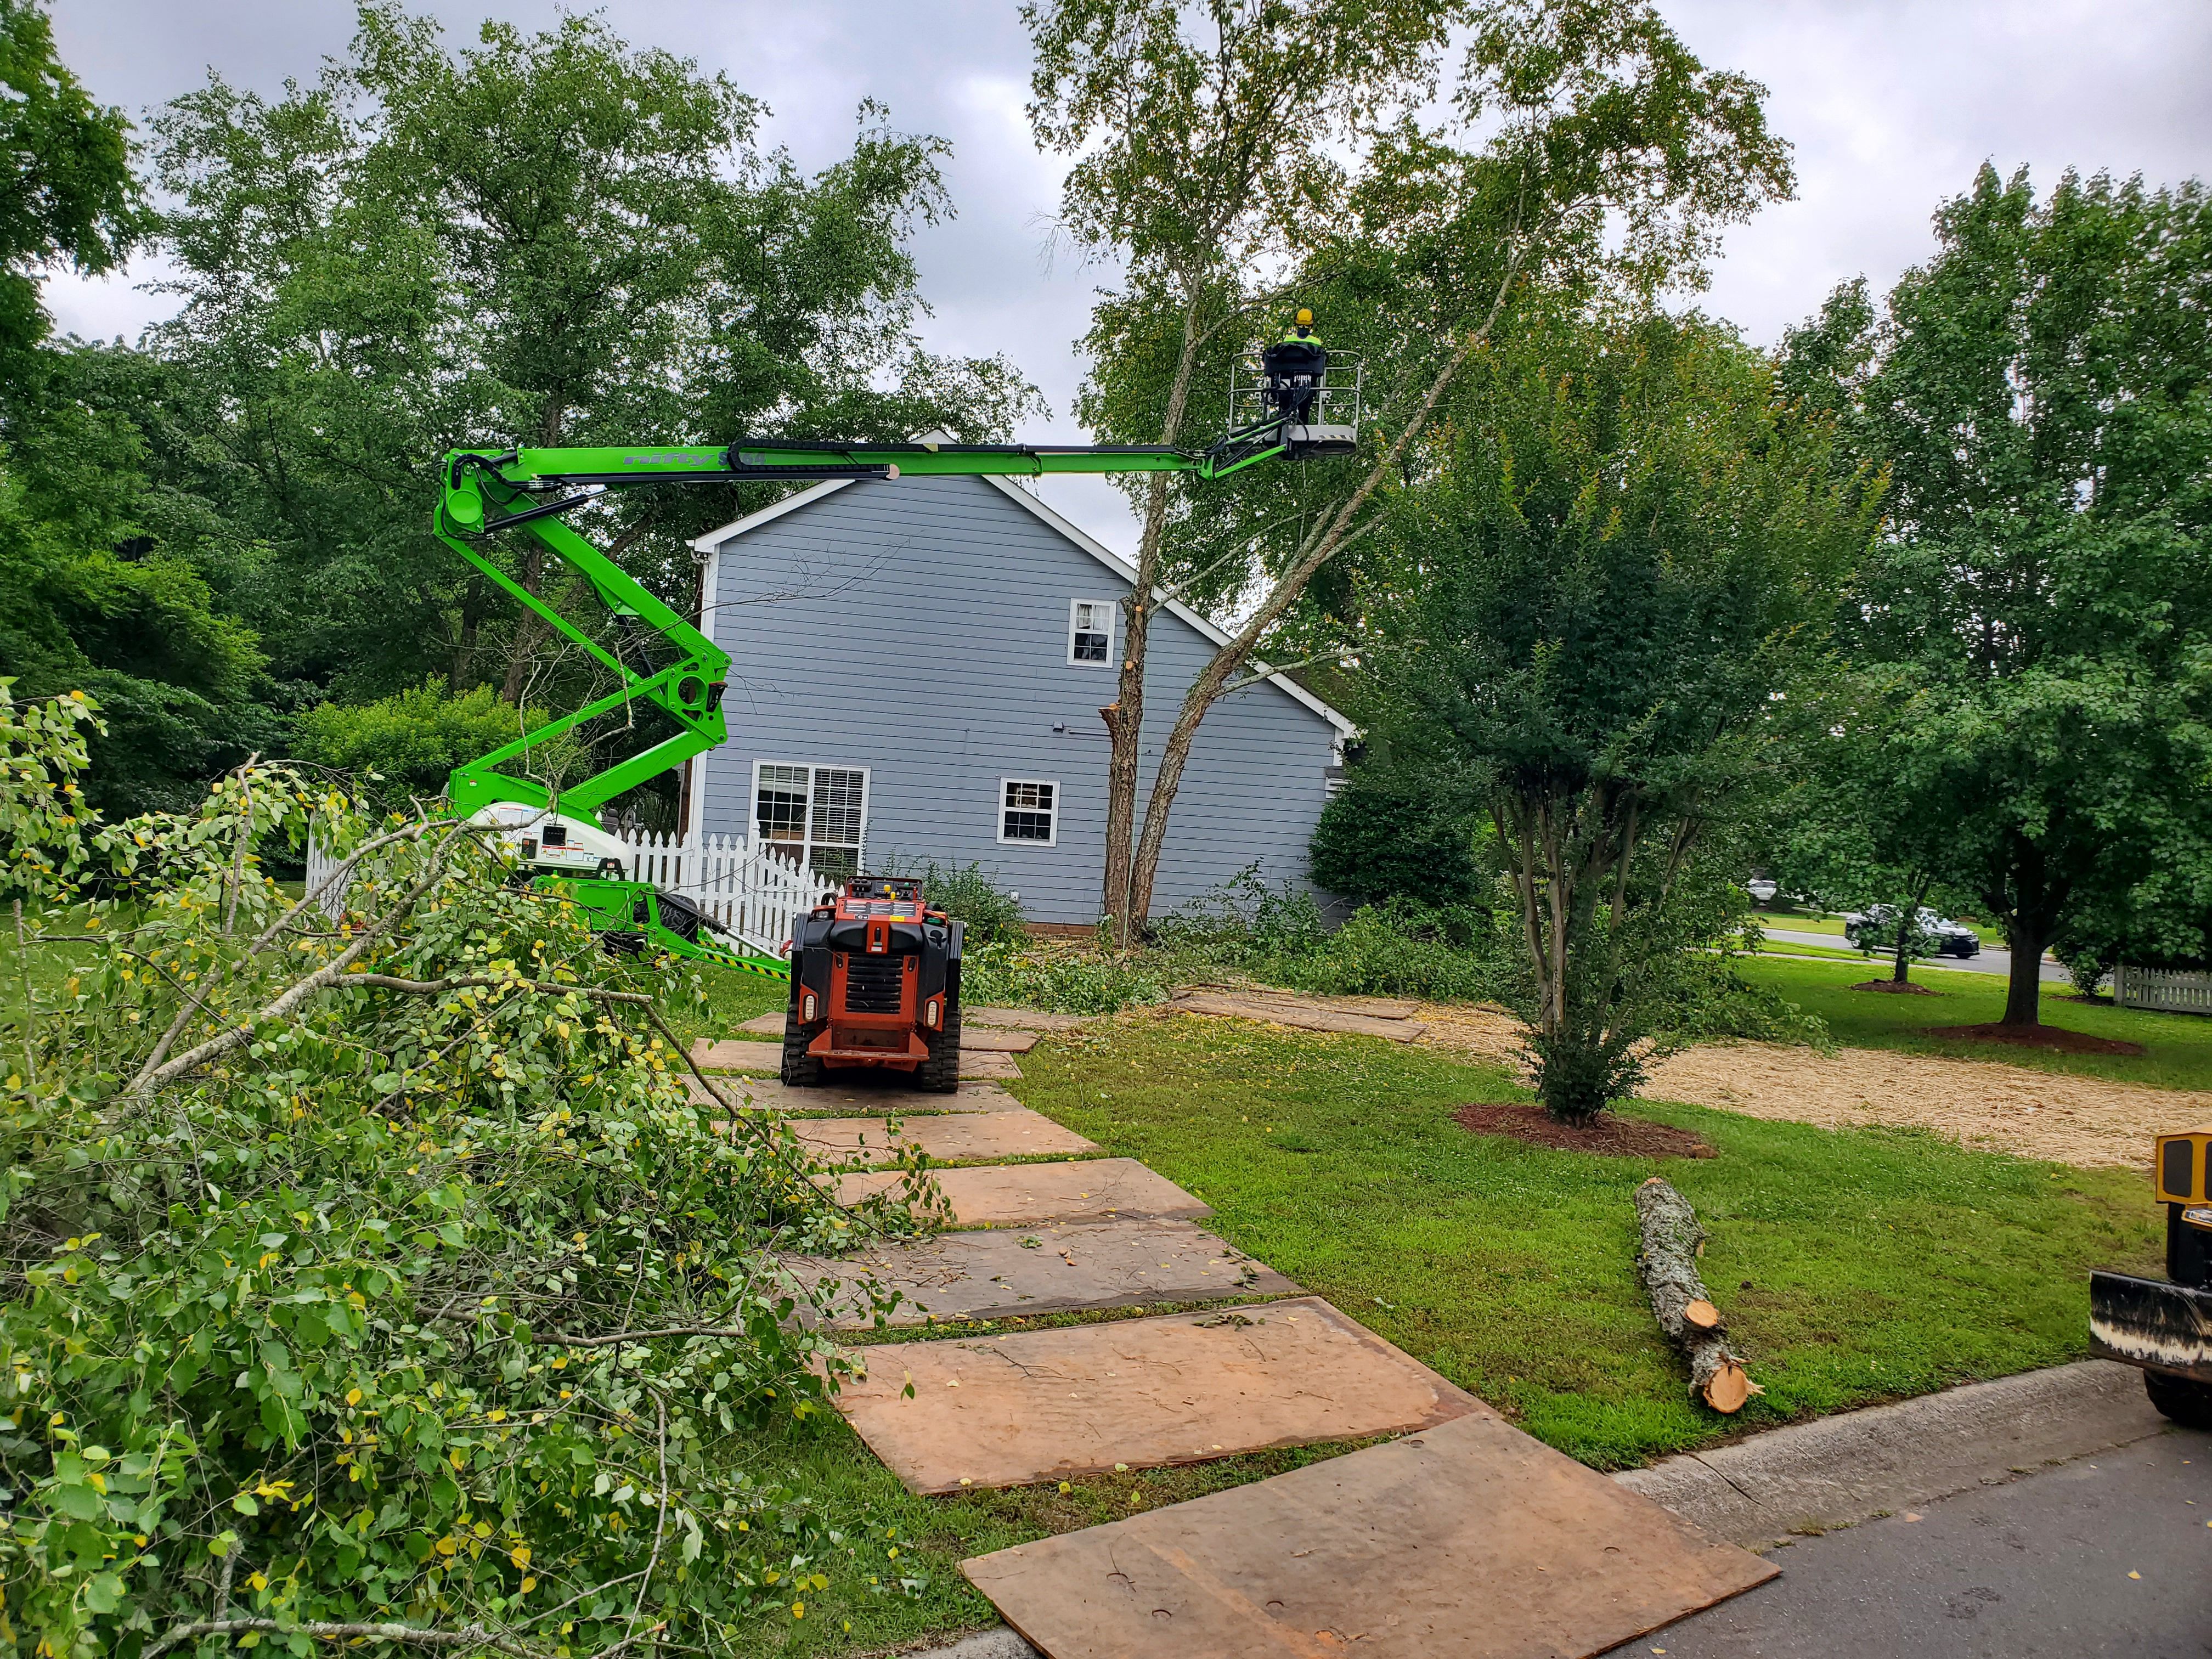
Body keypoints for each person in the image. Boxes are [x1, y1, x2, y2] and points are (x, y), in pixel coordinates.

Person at [1260, 308, 1327, 424]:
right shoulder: (1315, 343)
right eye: (1302, 326)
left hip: (1291, 385)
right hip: (1302, 385)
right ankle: (1294, 422)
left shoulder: (1289, 341)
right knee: (1300, 410)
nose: (1303, 329)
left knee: (1291, 409)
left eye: (1305, 326)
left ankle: (1283, 421)